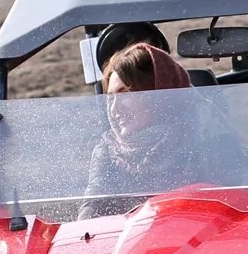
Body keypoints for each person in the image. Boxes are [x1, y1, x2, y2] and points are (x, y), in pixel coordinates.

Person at [80, 43, 206, 218]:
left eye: (125, 94)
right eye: (110, 98)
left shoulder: (204, 139)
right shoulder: (108, 152)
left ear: (158, 94)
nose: (115, 109)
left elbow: (234, 206)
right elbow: (90, 216)